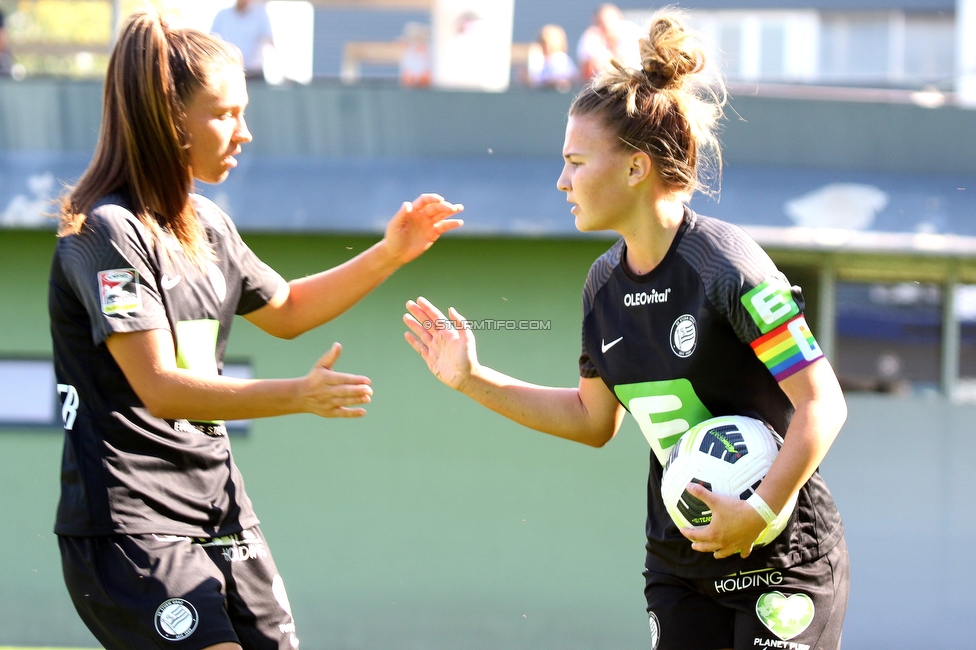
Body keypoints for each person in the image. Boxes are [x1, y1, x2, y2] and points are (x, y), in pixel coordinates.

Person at [404, 10, 848, 650]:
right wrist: (472, 379)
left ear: (637, 168)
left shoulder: (728, 266)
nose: (561, 180)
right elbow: (593, 421)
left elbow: (822, 403)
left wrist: (757, 511)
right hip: (680, 568)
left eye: (576, 162)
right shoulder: (602, 285)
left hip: (783, 558)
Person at [51, 11, 461, 650]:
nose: (244, 132)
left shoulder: (208, 225)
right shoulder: (108, 233)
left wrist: (390, 253)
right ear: (171, 121)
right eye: (225, 114)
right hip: (131, 523)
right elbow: (160, 387)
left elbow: (289, 309)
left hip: (219, 508)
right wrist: (296, 396)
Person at [576, 3, 643, 82]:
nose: (605, 26)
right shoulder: (591, 38)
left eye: (608, 20)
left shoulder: (631, 33)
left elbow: (634, 70)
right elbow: (585, 76)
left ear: (620, 19)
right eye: (599, 22)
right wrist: (592, 52)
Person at [210, 0, 274, 80]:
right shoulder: (222, 15)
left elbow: (269, 41)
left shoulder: (261, 15)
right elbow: (212, 40)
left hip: (255, 73)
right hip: (229, 73)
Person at [526, 24, 578, 92]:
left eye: (548, 44)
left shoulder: (561, 59)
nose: (546, 47)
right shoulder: (540, 61)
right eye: (543, 43)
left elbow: (569, 78)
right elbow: (535, 81)